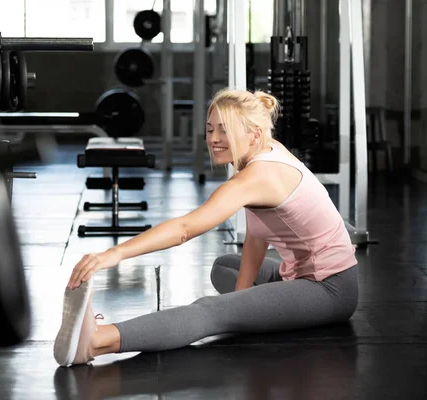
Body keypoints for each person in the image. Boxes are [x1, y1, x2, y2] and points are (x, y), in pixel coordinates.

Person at [53, 88, 359, 367]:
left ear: (253, 134)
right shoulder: (266, 149)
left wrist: (114, 254)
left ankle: (97, 341)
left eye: (224, 130)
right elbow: (257, 231)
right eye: (210, 129)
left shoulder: (256, 177)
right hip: (297, 272)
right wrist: (241, 300)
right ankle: (256, 312)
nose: (213, 138)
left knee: (210, 311)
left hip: (330, 288)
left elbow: (185, 228)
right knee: (223, 267)